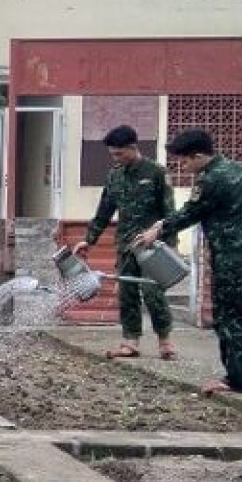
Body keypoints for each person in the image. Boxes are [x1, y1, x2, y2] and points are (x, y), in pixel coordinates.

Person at [134, 129, 242, 395]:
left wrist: (156, 231)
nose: (184, 168)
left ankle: (237, 379)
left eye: (185, 162)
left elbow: (190, 213)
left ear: (198, 156)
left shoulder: (210, 179)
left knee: (229, 317)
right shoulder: (240, 170)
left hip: (231, 258)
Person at [74, 125, 178, 361]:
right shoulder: (115, 176)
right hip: (126, 245)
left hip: (153, 245)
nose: (116, 158)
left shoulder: (156, 173)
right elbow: (104, 211)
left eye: (119, 154)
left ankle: (165, 341)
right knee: (127, 293)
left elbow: (170, 212)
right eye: (113, 154)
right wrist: (88, 240)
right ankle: (131, 341)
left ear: (133, 147)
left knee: (153, 292)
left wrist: (171, 244)